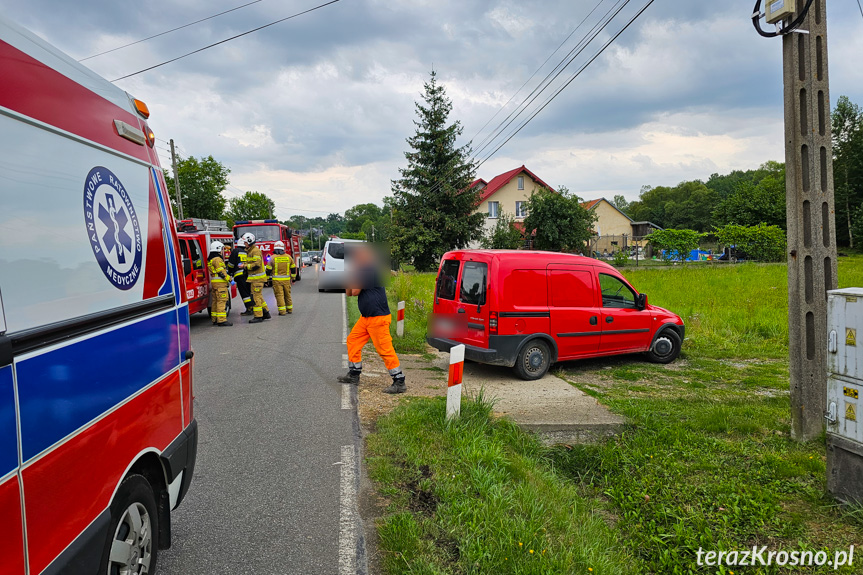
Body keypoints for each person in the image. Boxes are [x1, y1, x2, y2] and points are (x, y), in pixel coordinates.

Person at [338, 244, 405, 394]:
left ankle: (399, 381)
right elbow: (349, 293)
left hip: (378, 318)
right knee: (353, 340)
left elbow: (354, 291)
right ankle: (354, 374)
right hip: (366, 318)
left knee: (384, 350)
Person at [242, 232, 271, 324]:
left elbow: (257, 265)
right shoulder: (250, 251)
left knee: (255, 297)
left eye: (245, 242)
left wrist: (245, 266)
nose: (244, 244)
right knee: (259, 296)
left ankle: (258, 316)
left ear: (249, 241)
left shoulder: (255, 251)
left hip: (257, 279)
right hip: (254, 279)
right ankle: (266, 312)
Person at [267, 240, 297, 315]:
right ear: (283, 248)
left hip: (276, 281)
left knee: (279, 295)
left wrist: (267, 279)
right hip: (286, 280)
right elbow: (293, 269)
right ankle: (289, 309)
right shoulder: (288, 257)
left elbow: (268, 270)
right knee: (287, 294)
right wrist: (293, 278)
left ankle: (282, 311)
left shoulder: (272, 258)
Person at [207, 240, 233, 327]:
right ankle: (221, 320)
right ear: (218, 249)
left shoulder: (211, 259)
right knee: (222, 301)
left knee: (215, 301)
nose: (223, 251)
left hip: (214, 284)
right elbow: (221, 273)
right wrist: (230, 279)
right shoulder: (218, 259)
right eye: (222, 249)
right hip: (220, 285)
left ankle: (214, 319)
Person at [227, 237, 253, 315]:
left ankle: (249, 308)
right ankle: (252, 306)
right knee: (248, 291)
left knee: (244, 293)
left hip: (239, 275)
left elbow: (231, 264)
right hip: (248, 274)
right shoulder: (247, 251)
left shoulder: (235, 251)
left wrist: (230, 272)